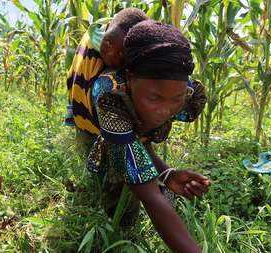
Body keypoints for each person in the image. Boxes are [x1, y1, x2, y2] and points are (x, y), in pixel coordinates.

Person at [86, 20, 209, 253]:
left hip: (130, 110)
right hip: (92, 119)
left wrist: (167, 173)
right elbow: (148, 193)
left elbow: (140, 138)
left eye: (176, 99)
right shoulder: (108, 93)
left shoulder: (180, 88)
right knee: (114, 175)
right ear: (130, 79)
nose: (165, 110)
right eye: (155, 98)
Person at [64, 8, 149, 136]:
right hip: (82, 104)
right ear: (108, 27)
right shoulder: (94, 38)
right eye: (109, 43)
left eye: (122, 53)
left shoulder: (132, 50)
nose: (112, 54)